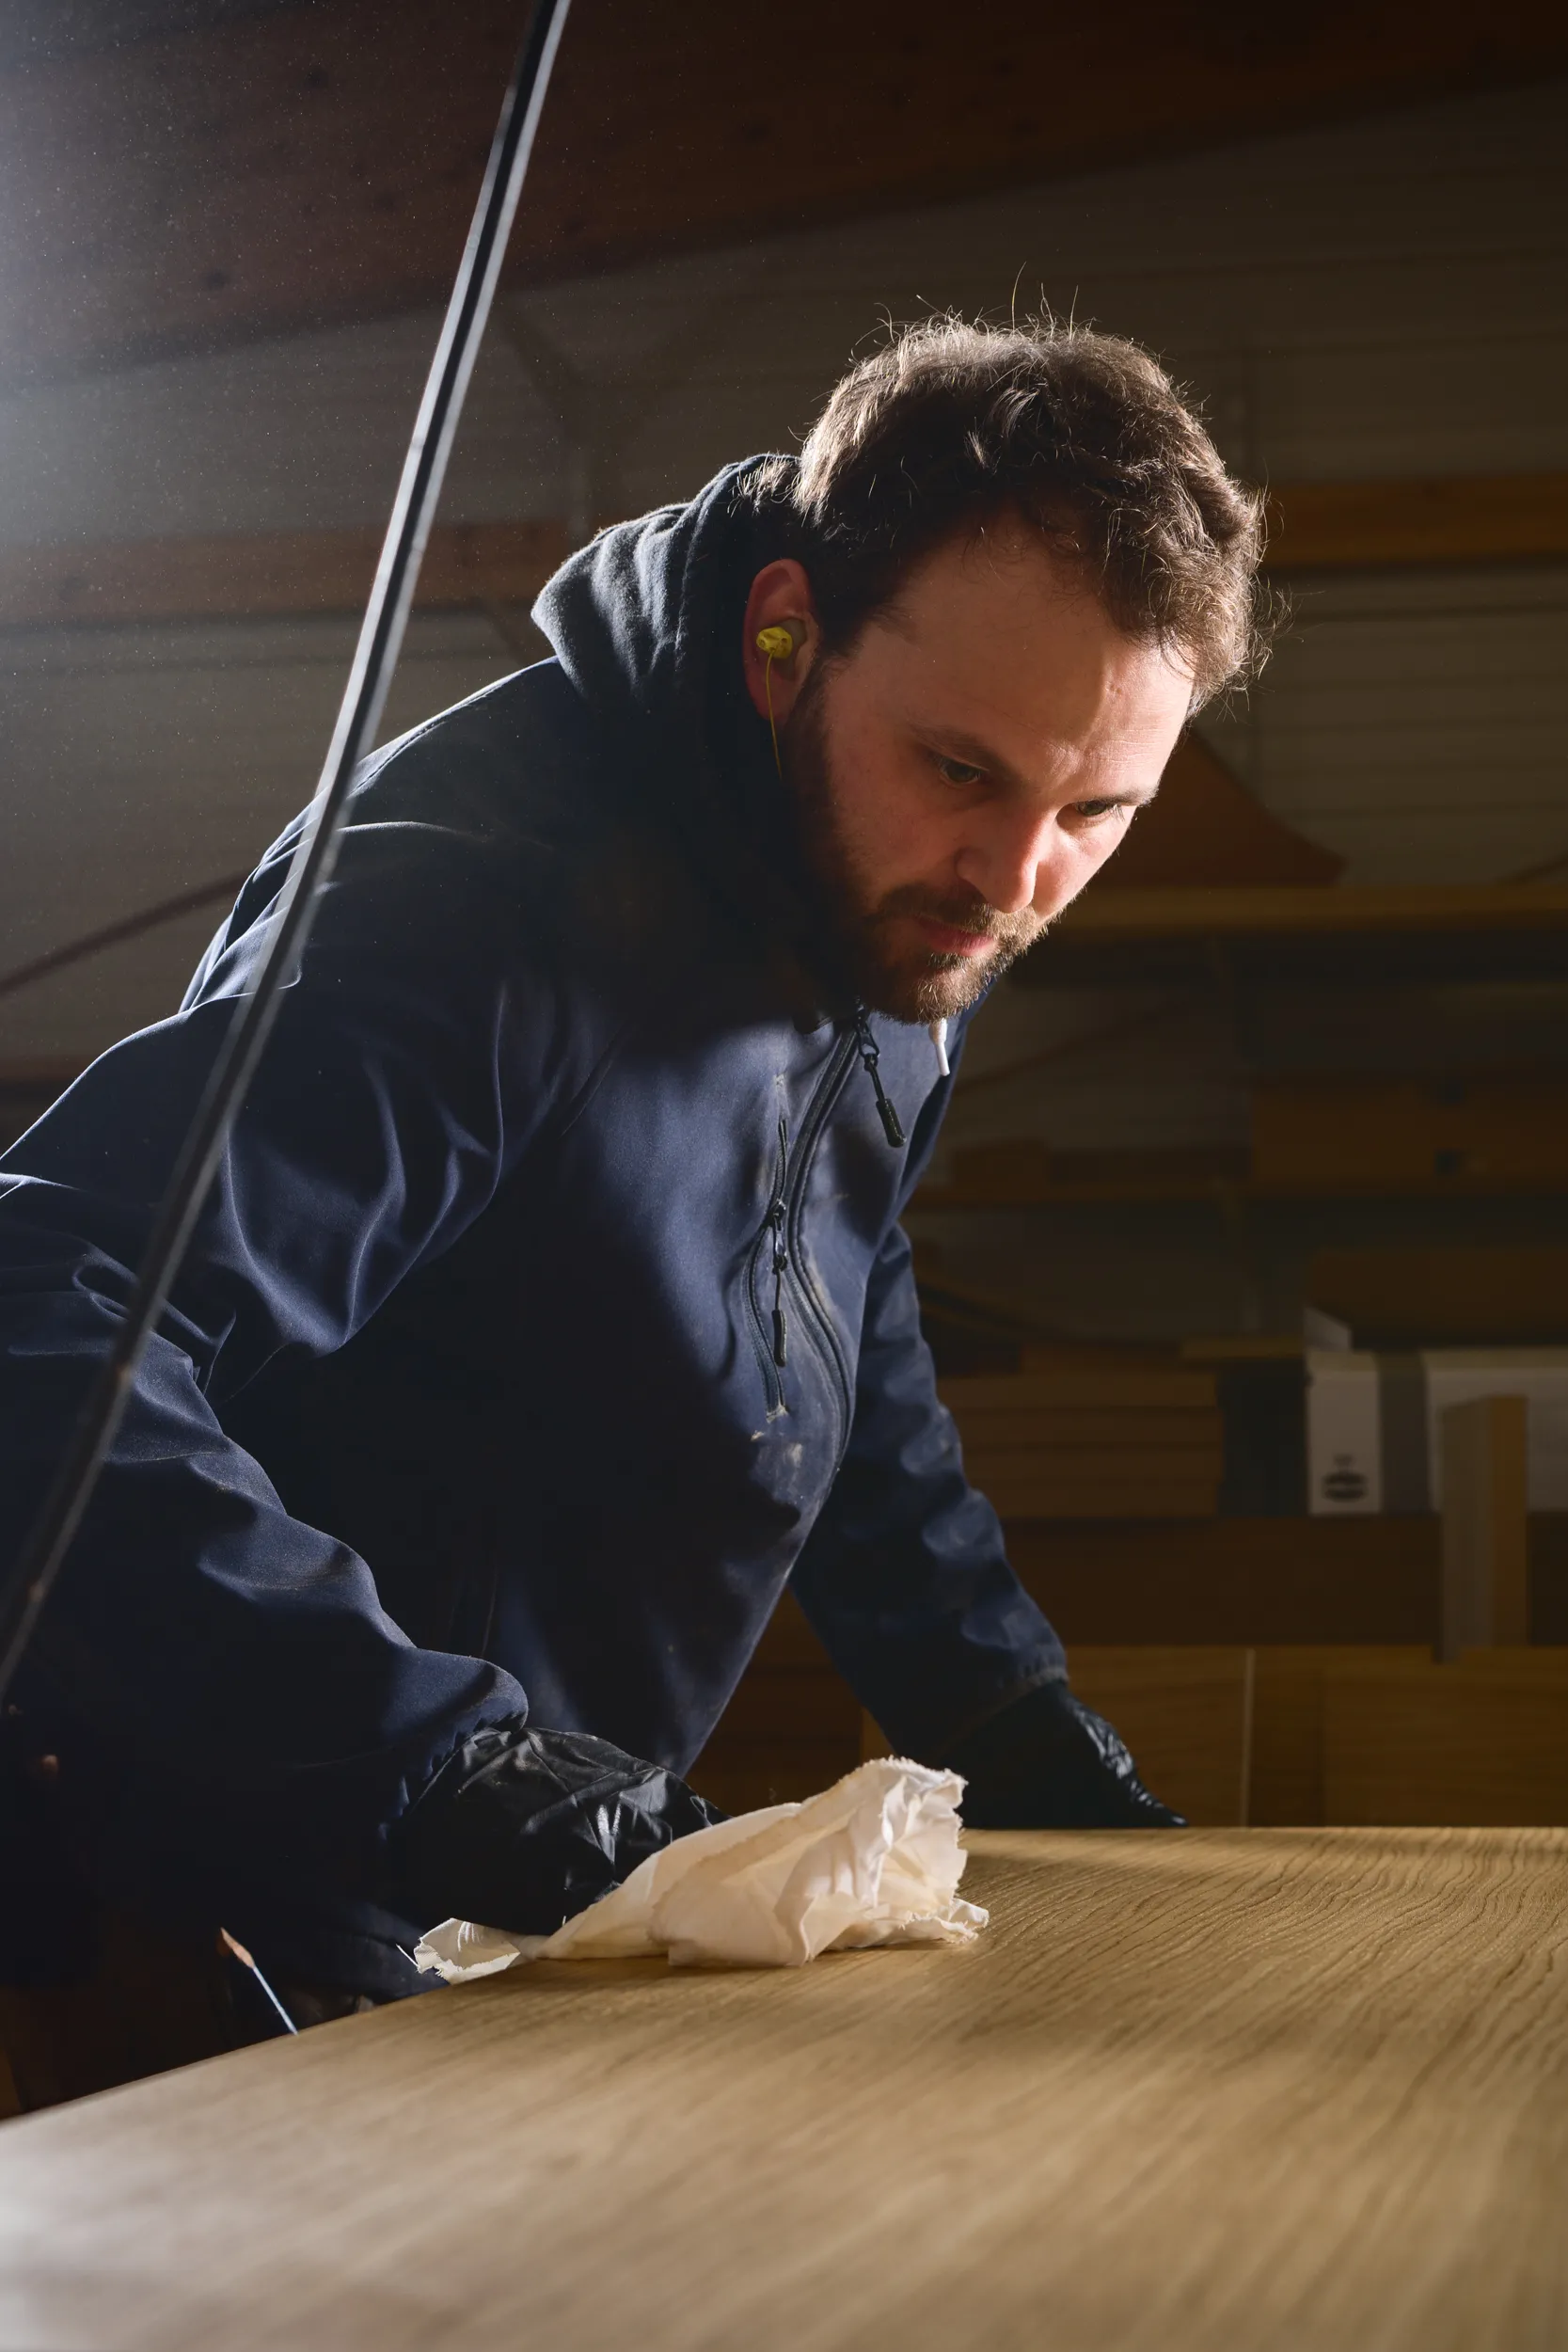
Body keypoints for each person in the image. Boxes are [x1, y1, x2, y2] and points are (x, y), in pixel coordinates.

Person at [0, 317, 1265, 2037]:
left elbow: (838, 1327)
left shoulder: (900, 913)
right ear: (779, 635)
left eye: (1096, 811)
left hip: (525, 1927)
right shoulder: (462, 913)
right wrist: (441, 1765)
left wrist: (1009, 1727)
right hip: (223, 1911)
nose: (1015, 876)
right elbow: (38, 1316)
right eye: (960, 770)